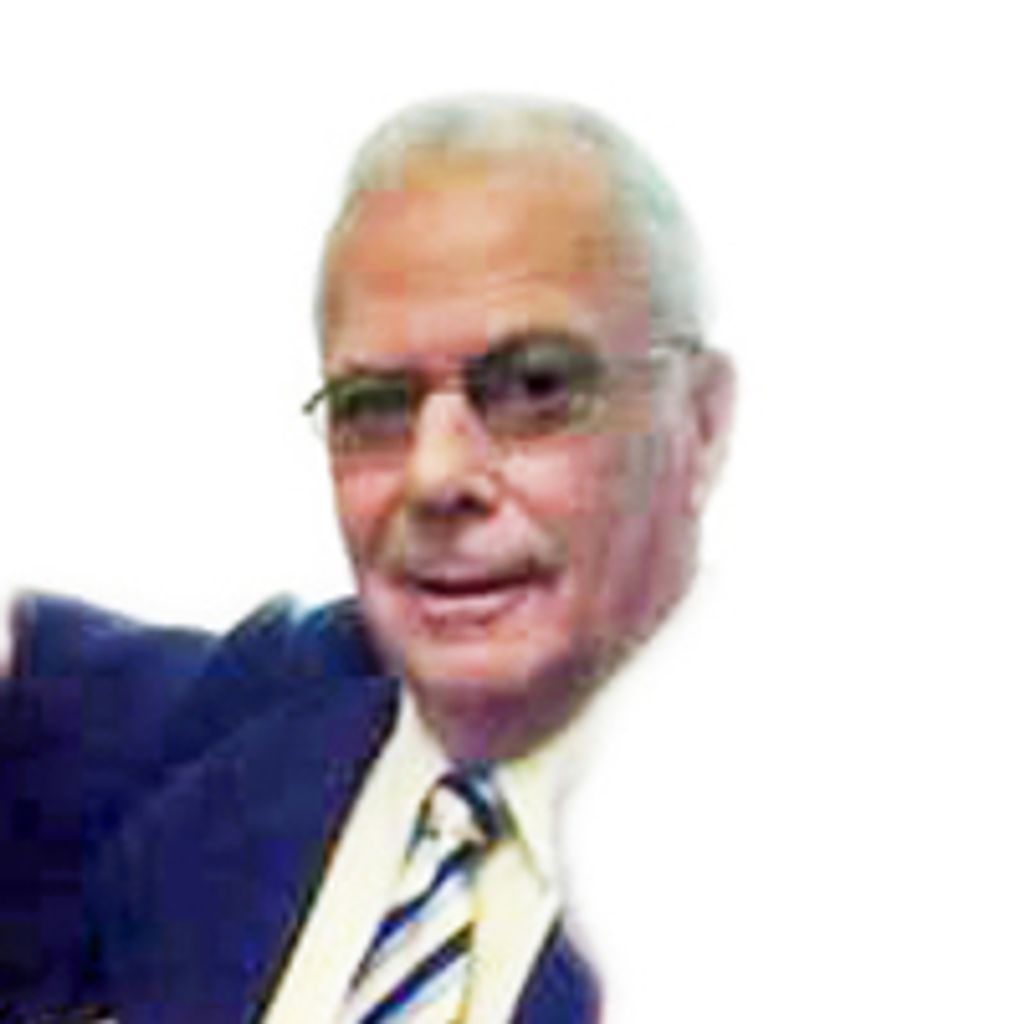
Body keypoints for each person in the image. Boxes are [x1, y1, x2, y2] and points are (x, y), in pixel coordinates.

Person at [0, 96, 734, 1022]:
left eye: (534, 387)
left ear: (701, 421)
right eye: (375, 406)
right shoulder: (253, 722)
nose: (436, 476)